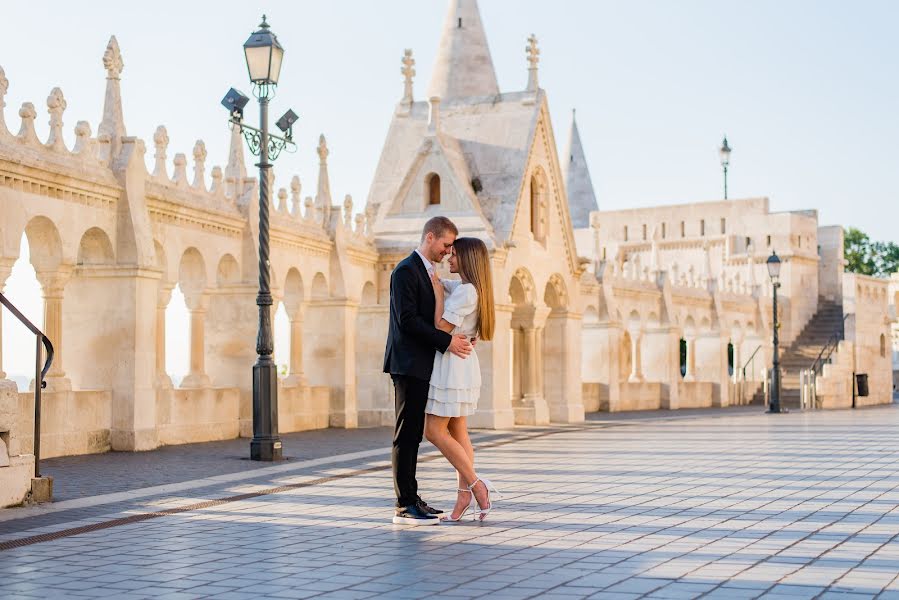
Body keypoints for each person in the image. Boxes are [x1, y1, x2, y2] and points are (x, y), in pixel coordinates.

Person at [383, 216, 473, 525]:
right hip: (407, 363)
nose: (448, 252)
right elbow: (407, 321)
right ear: (430, 237)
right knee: (406, 435)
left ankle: (412, 496)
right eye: (446, 245)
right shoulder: (405, 270)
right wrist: (446, 342)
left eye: (452, 248)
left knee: (412, 436)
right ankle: (404, 504)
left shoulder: (426, 271)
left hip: (421, 363)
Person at [425, 237, 499, 523]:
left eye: (454, 255)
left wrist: (437, 291)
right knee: (458, 431)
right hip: (461, 362)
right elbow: (445, 284)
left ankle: (476, 485)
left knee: (433, 431)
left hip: (452, 365)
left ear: (467, 259)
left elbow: (440, 326)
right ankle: (464, 494)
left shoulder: (468, 292)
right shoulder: (471, 288)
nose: (449, 259)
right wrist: (436, 280)